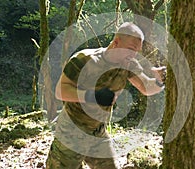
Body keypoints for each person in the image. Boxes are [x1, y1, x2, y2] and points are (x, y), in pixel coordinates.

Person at [45, 22, 166, 169]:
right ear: (116, 42)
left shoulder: (128, 64)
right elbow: (60, 91)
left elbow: (146, 87)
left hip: (98, 133)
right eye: (130, 49)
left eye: (137, 51)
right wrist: (92, 96)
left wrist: (160, 81)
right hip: (71, 133)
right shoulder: (84, 59)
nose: (133, 55)